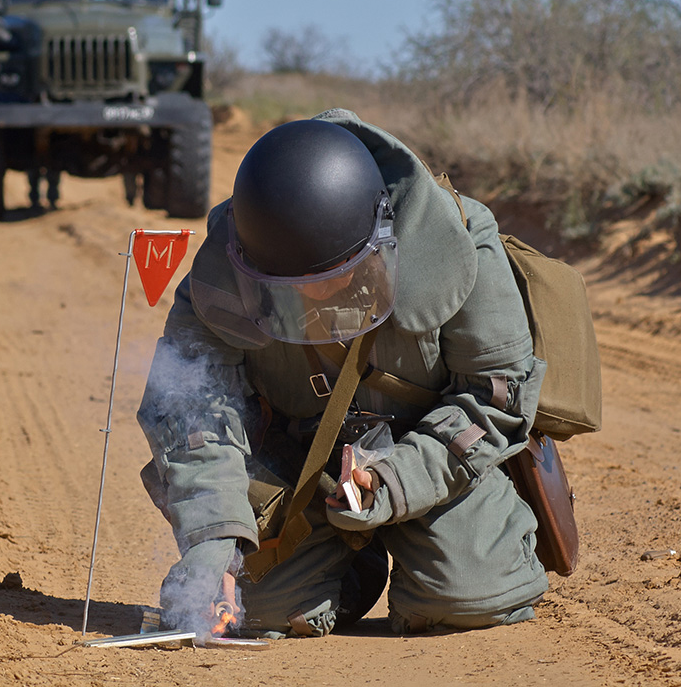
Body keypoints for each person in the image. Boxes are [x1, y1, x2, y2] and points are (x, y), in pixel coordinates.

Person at [136, 108, 549, 637]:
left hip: (432, 456)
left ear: (382, 235)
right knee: (259, 613)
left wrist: (391, 480)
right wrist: (214, 540)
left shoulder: (463, 237)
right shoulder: (225, 265)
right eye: (284, 287)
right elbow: (193, 412)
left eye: (329, 277)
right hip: (298, 463)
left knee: (469, 596)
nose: (309, 296)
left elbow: (495, 397)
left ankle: (453, 540)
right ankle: (348, 562)